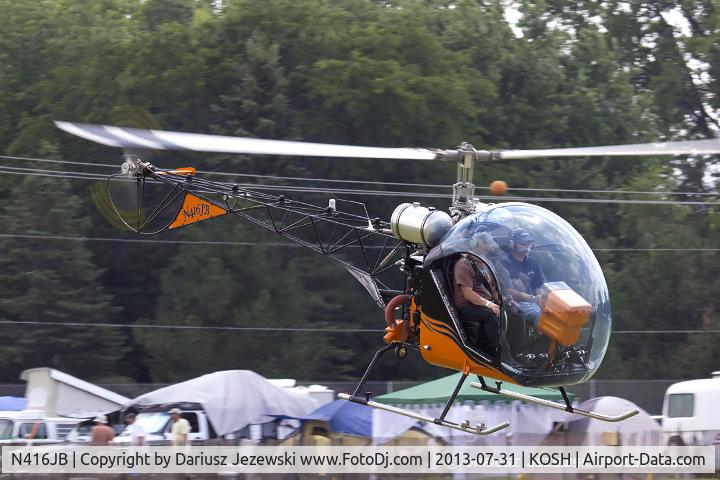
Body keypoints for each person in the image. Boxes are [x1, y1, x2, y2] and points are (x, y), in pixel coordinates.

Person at [453, 232, 501, 355]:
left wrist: (503, 302)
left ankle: (519, 352)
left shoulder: (484, 263)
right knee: (490, 315)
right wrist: (489, 304)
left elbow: (492, 288)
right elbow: (468, 294)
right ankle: (499, 354)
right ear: (474, 244)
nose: (490, 247)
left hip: (484, 302)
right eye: (487, 243)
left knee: (512, 310)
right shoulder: (463, 264)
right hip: (467, 306)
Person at [500, 229, 546, 327]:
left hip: (533, 303)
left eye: (529, 243)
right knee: (539, 314)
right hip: (515, 303)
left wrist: (540, 300)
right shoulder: (504, 262)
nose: (527, 246)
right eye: (523, 243)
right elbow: (506, 290)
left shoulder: (533, 262)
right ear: (513, 244)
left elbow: (538, 286)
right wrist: (531, 298)